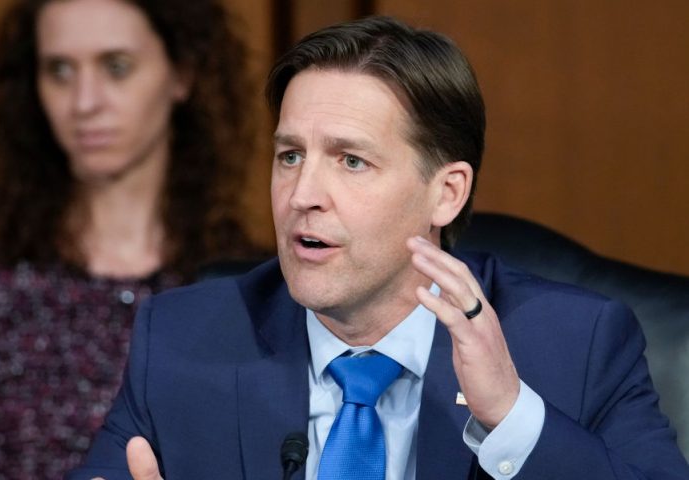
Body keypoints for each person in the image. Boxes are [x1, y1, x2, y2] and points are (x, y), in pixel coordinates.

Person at [68, 15, 689, 480]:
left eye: (352, 161)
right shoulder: (180, 339)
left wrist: (512, 418)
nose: (302, 194)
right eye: (290, 156)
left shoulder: (576, 345)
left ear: (446, 193)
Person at [0, 0, 256, 478]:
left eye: (116, 67)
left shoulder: (245, 286)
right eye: (59, 70)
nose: (84, 102)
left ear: (182, 73)